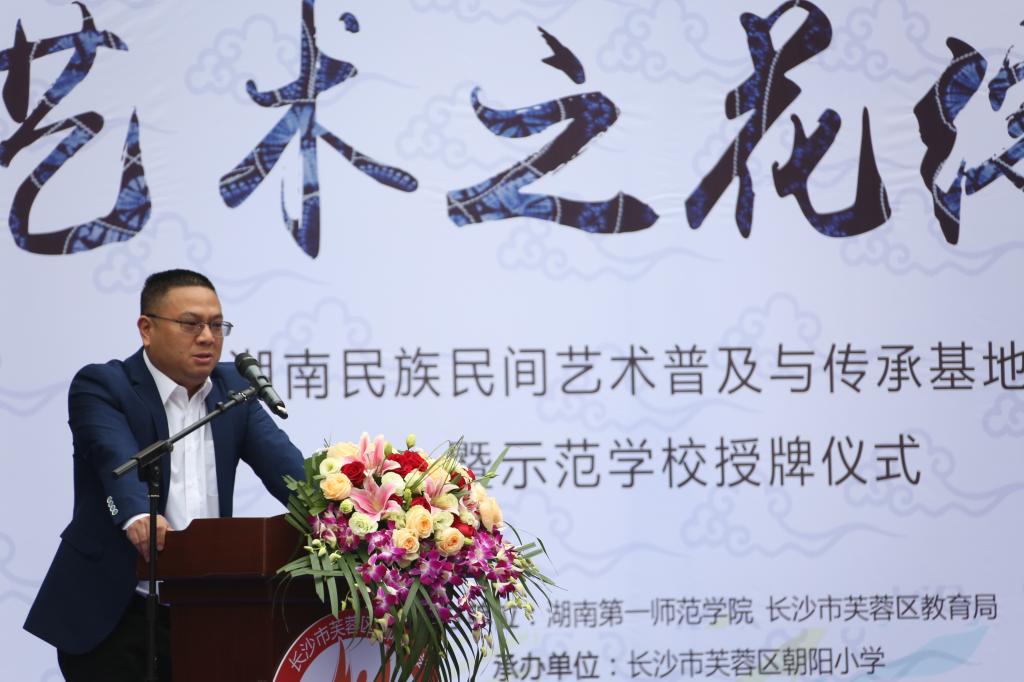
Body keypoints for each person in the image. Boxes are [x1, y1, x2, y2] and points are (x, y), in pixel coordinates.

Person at [24, 269, 306, 681]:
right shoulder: (104, 385)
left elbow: (289, 473)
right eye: (191, 324)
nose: (207, 337)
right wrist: (138, 514)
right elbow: (114, 458)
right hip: (115, 615)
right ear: (147, 329)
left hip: (208, 615)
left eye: (217, 325)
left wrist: (349, 518)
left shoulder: (233, 388)